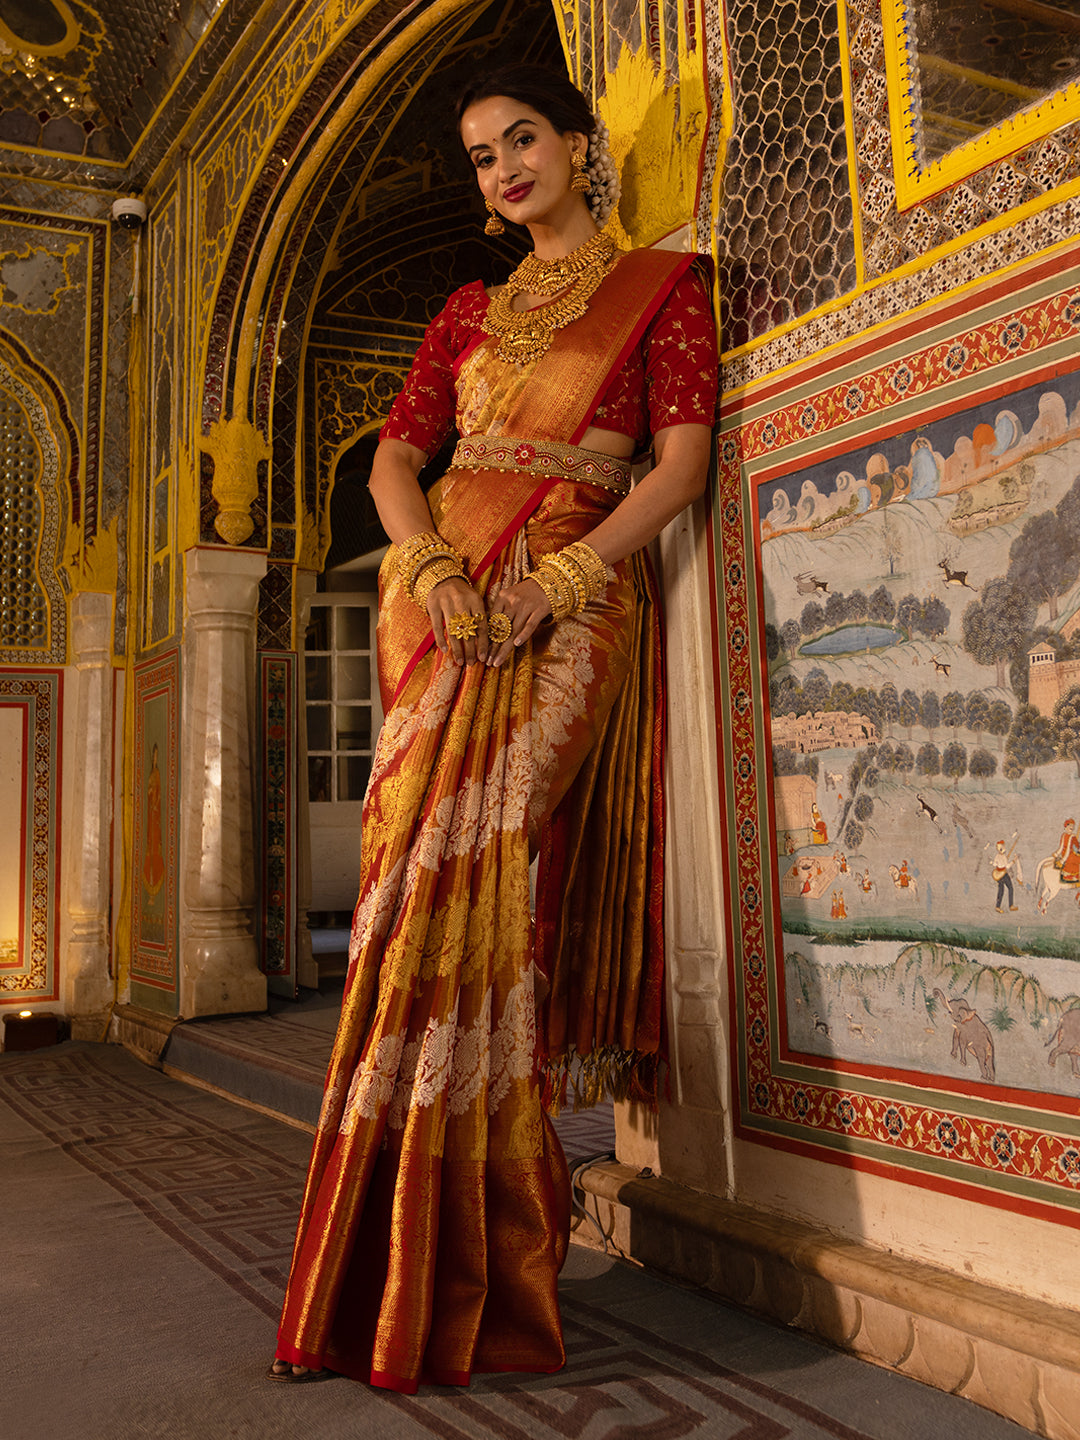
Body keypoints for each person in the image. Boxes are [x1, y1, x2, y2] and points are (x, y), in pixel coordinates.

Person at [269, 65, 717, 1394]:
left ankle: (472, 1270)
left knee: (491, 899)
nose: (504, 166)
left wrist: (562, 581)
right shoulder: (467, 308)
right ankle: (369, 1273)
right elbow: (392, 462)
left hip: (574, 601)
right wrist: (436, 575)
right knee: (408, 911)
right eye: (479, 156)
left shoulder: (661, 290)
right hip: (447, 610)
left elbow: (679, 468)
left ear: (578, 146)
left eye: (523, 138)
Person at [992, 838, 1018, 911]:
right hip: (1003, 874)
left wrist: (998, 863)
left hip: (998, 874)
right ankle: (1011, 905)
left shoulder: (997, 856)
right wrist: (1014, 860)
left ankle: (997, 906)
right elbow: (1007, 866)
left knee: (1001, 890)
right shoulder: (1003, 857)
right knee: (1010, 888)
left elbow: (994, 864)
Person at [1053, 817, 1080, 883]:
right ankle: (1074, 877)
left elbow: (1076, 847)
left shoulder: (1065, 835)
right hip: (1069, 856)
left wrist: (1057, 854)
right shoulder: (1071, 836)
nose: (1072, 827)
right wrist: (1061, 859)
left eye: (1073, 826)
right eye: (1070, 825)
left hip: (1065, 854)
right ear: (1066, 826)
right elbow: (1063, 847)